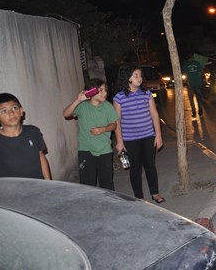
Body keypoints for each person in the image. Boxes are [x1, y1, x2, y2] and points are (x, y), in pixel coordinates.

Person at [113, 67, 165, 203]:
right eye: (135, 75)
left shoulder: (146, 93)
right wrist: (119, 141)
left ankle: (155, 193)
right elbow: (116, 121)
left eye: (140, 75)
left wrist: (158, 135)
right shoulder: (119, 98)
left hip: (148, 135)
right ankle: (139, 197)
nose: (139, 78)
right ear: (128, 78)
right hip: (130, 139)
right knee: (135, 168)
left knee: (150, 165)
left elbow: (154, 114)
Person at [63, 79, 118, 190]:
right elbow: (66, 114)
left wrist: (103, 129)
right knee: (87, 185)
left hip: (104, 149)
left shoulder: (107, 106)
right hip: (86, 149)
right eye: (101, 90)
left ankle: (109, 205)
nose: (105, 93)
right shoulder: (82, 106)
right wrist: (78, 100)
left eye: (105, 90)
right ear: (91, 92)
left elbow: (114, 125)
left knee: (106, 183)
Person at [0, 93, 51, 180]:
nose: (11, 113)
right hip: (10, 191)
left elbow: (41, 156)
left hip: (38, 186)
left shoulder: (33, 132)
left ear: (21, 111)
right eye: (4, 111)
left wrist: (48, 182)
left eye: (14, 108)